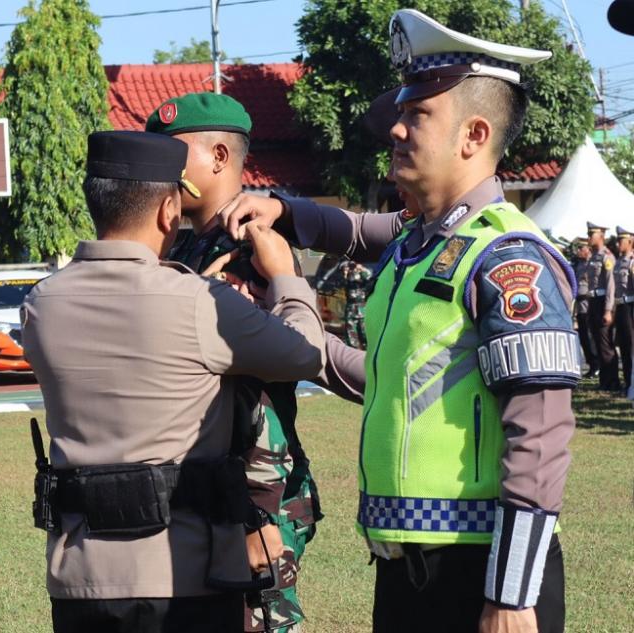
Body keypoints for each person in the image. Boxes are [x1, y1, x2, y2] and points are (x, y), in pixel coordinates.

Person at [218, 9, 579, 633]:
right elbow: (393, 365)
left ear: (473, 135)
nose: (396, 129)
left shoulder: (507, 257)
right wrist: (282, 210)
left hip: (483, 574)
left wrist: (513, 593)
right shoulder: (422, 243)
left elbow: (541, 431)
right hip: (406, 569)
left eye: (418, 115)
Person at [22, 130, 326, 633]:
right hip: (183, 575)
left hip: (79, 579)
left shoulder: (41, 304)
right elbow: (306, 354)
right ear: (168, 209)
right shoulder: (199, 302)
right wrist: (287, 280)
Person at [146, 92, 321, 632]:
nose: (159, 169)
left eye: (169, 154)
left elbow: (286, 364)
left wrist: (260, 513)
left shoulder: (258, 246)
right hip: (202, 487)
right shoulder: (185, 253)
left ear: (219, 157)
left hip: (254, 488)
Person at [587, 222, 619, 390]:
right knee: (598, 344)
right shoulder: (593, 256)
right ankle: (604, 381)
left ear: (601, 236)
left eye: (592, 234)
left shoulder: (607, 257)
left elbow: (611, 286)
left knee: (606, 344)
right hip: (593, 301)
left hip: (602, 303)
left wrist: (608, 310)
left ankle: (612, 381)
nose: (589, 237)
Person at [571, 237, 599, 378]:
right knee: (583, 338)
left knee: (591, 337)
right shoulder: (578, 264)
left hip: (590, 306)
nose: (578, 251)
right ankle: (591, 364)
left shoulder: (592, 264)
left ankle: (596, 365)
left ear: (588, 249)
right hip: (580, 307)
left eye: (581, 248)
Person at [613, 225, 634, 397]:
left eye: (621, 240)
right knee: (624, 348)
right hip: (619, 307)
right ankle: (627, 383)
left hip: (629, 308)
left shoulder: (632, 262)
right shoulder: (618, 261)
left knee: (631, 346)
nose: (618, 243)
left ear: (631, 242)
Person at [340, 259, 371, 349]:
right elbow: (342, 283)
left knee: (363, 329)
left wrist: (362, 269)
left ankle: (367, 347)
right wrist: (345, 273)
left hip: (361, 306)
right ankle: (353, 348)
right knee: (350, 328)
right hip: (351, 306)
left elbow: (369, 278)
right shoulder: (346, 274)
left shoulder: (361, 274)